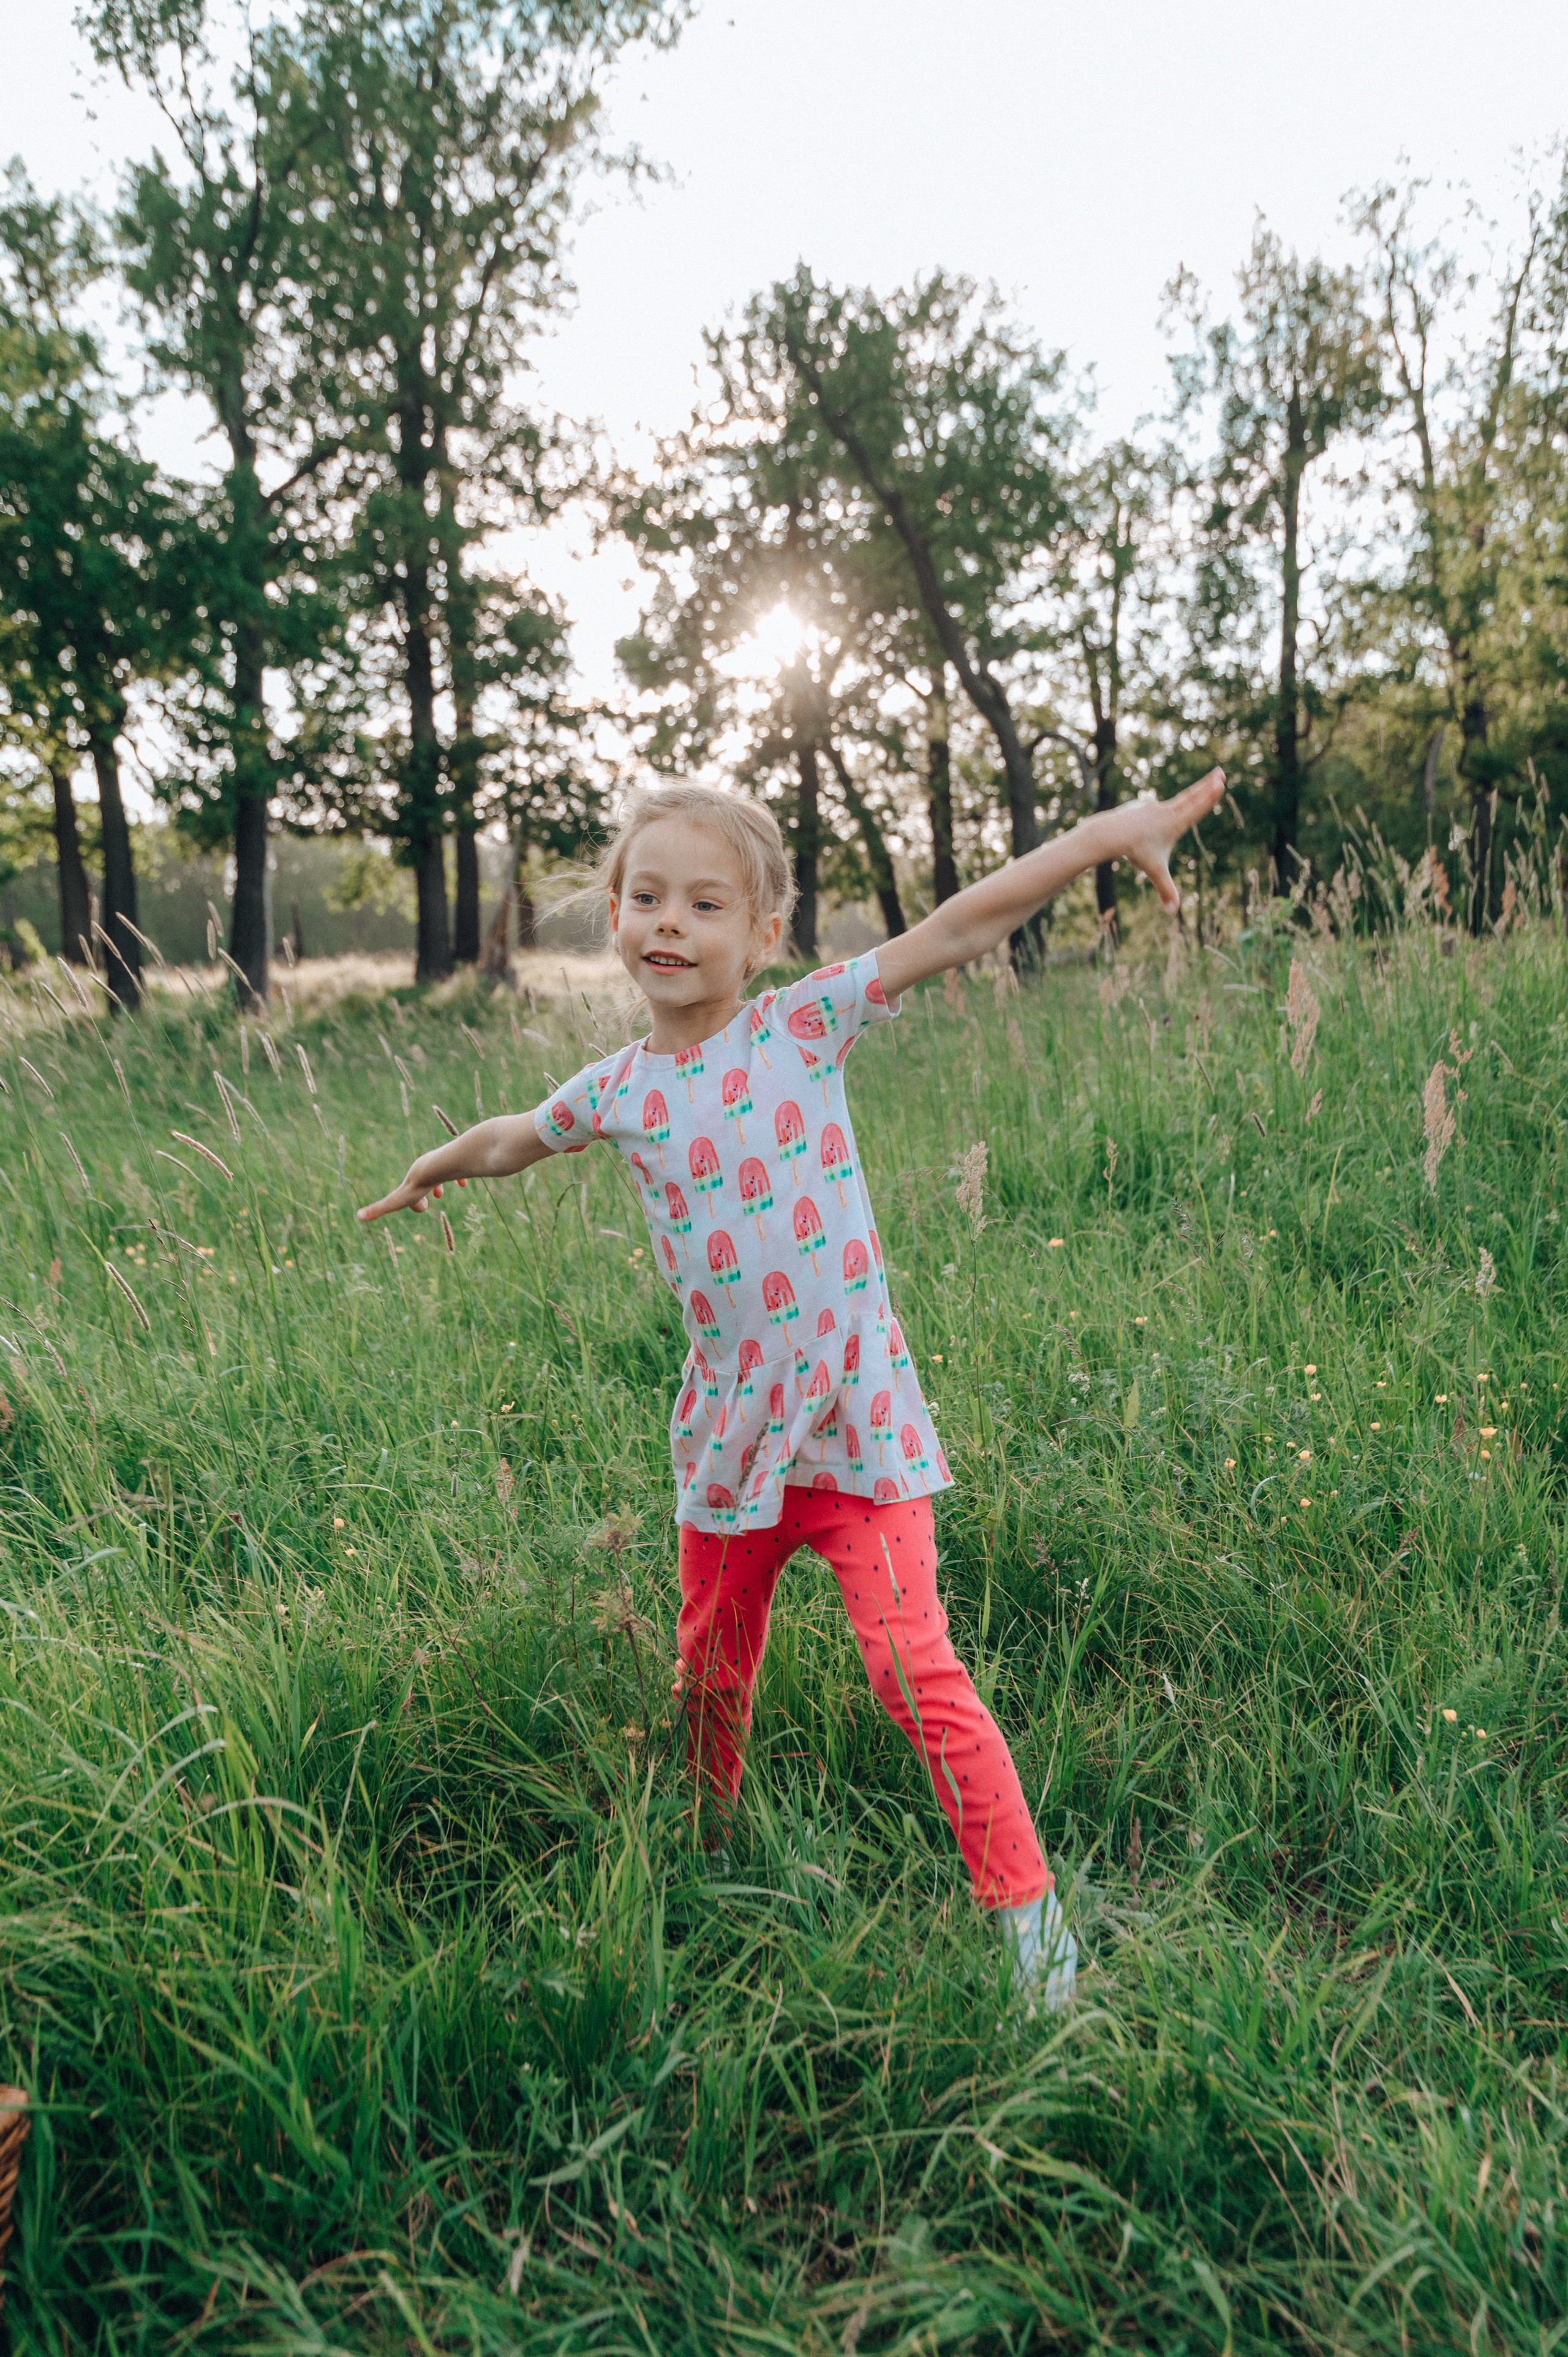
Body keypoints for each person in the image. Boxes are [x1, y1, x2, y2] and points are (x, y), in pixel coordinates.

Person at [359, 768, 1226, 2010]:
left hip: (854, 1423)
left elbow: (961, 924)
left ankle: (1030, 1926)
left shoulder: (800, 1025)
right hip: (728, 1440)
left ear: (761, 935)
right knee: (707, 1673)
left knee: (910, 1671)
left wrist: (1099, 835)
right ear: (612, 911)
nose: (668, 923)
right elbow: (510, 1137)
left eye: (703, 904)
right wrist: (426, 1168)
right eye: (644, 896)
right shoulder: (618, 1089)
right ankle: (706, 1861)